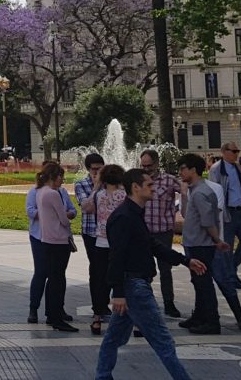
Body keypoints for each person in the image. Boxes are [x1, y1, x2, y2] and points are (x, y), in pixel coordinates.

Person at [97, 167, 207, 380]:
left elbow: (151, 245)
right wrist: (118, 292)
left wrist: (185, 260)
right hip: (134, 286)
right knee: (163, 340)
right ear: (135, 188)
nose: (153, 188)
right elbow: (116, 257)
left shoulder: (134, 214)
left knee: (113, 339)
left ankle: (102, 376)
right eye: (148, 185)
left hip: (134, 284)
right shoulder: (123, 217)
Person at [177, 153, 241, 335]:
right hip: (196, 242)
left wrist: (217, 241)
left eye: (183, 169)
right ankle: (199, 315)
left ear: (193, 170)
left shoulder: (200, 193)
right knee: (198, 282)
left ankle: (212, 321)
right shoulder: (198, 190)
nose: (180, 172)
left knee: (203, 283)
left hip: (200, 244)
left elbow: (208, 222)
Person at [26, 162, 77, 326]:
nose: (63, 180)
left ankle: (55, 310)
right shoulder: (40, 192)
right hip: (42, 236)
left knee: (56, 276)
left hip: (50, 236)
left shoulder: (58, 192)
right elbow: (31, 211)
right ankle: (34, 308)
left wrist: (61, 213)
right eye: (61, 176)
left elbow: (72, 210)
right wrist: (52, 214)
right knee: (43, 273)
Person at [139, 149, 183, 316]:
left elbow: (186, 190)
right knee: (144, 270)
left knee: (165, 269)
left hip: (163, 230)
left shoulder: (169, 180)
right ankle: (147, 303)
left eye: (149, 165)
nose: (146, 169)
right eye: (143, 166)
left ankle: (169, 303)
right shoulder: (139, 180)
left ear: (157, 164)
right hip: (144, 231)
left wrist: (181, 208)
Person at [208, 143, 241, 289]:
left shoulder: (238, 168)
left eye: (237, 151)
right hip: (227, 212)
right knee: (227, 246)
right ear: (224, 152)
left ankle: (231, 269)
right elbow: (214, 192)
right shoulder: (216, 169)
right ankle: (230, 277)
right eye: (233, 151)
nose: (236, 154)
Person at [90, 164, 126, 336]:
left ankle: (97, 318)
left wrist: (96, 186)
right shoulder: (124, 195)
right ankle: (132, 320)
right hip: (119, 243)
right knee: (124, 280)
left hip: (100, 242)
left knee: (100, 281)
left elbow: (88, 207)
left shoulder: (99, 195)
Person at [74, 153, 106, 331]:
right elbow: (87, 207)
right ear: (88, 169)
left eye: (100, 168)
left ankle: (104, 303)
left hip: (106, 234)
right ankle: (97, 306)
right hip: (90, 232)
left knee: (109, 269)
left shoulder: (110, 184)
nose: (98, 172)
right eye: (94, 169)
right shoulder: (81, 184)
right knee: (96, 270)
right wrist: (95, 187)